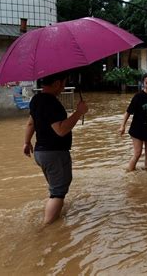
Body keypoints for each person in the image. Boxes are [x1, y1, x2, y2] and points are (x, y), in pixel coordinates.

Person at [23, 71, 88, 225]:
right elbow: (61, 130)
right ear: (58, 83)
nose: (64, 86)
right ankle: (48, 229)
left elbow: (31, 123)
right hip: (54, 153)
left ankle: (55, 215)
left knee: (55, 188)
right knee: (58, 193)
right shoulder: (52, 103)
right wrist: (79, 112)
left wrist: (26, 142)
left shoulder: (36, 100)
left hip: (41, 152)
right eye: (64, 82)